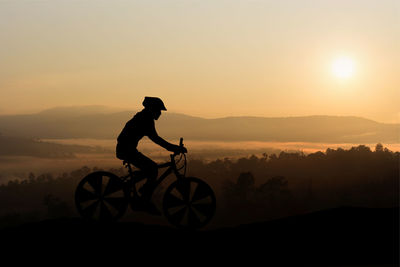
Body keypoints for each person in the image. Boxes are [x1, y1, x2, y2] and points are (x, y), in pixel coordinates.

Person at [116, 96, 187, 197]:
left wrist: (173, 147)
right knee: (152, 169)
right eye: (158, 110)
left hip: (126, 150)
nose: (160, 113)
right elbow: (156, 139)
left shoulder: (143, 117)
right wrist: (174, 148)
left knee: (149, 169)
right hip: (126, 151)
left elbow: (156, 138)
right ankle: (144, 195)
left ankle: (133, 187)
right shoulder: (145, 119)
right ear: (151, 109)